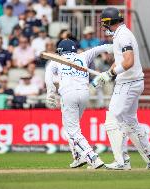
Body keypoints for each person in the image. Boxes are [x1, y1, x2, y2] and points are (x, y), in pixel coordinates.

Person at [93, 7, 150, 170]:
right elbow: (121, 61)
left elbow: (128, 62)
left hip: (128, 83)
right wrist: (107, 73)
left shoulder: (123, 36)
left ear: (110, 22)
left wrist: (111, 75)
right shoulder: (122, 35)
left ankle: (121, 161)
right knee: (130, 121)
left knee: (113, 119)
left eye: (105, 23)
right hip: (132, 82)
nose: (104, 27)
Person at [45, 39, 112, 169]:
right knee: (72, 129)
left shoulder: (56, 60)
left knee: (72, 131)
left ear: (60, 51)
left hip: (68, 94)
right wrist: (114, 47)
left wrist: (50, 92)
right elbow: (100, 48)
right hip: (84, 94)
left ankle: (92, 157)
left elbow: (49, 76)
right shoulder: (83, 55)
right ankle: (78, 157)